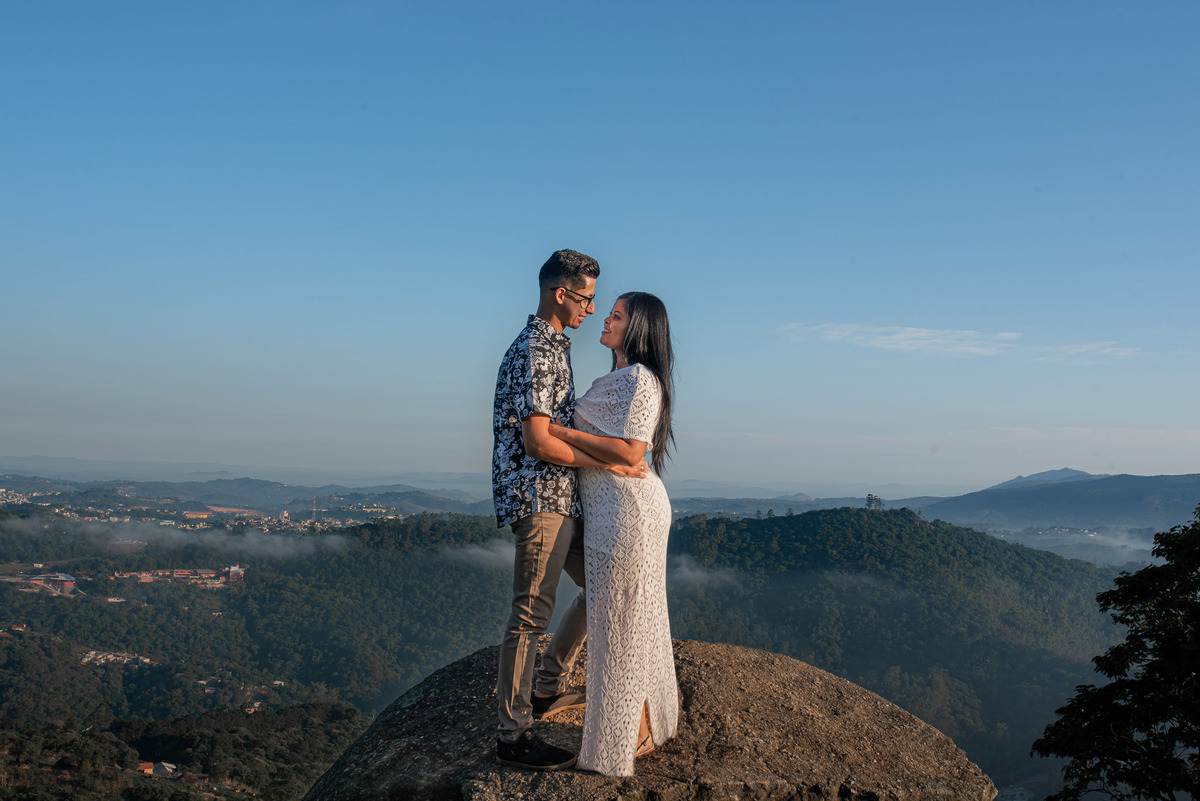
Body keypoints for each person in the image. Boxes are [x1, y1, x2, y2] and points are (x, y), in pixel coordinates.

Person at [491, 249, 646, 771]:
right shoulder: (537, 349)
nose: (591, 309)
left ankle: (548, 685)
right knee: (530, 615)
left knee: (604, 585)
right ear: (561, 294)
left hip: (563, 497)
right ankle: (512, 734)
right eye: (585, 298)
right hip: (541, 497)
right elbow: (538, 441)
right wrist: (610, 461)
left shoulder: (554, 347)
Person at [546, 291, 679, 777]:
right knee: (620, 613)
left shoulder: (640, 379)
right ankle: (637, 724)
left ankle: (630, 732)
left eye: (617, 315)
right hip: (611, 513)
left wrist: (563, 433)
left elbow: (631, 452)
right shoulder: (615, 379)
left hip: (629, 514)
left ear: (637, 328)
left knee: (624, 620)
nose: (606, 319)